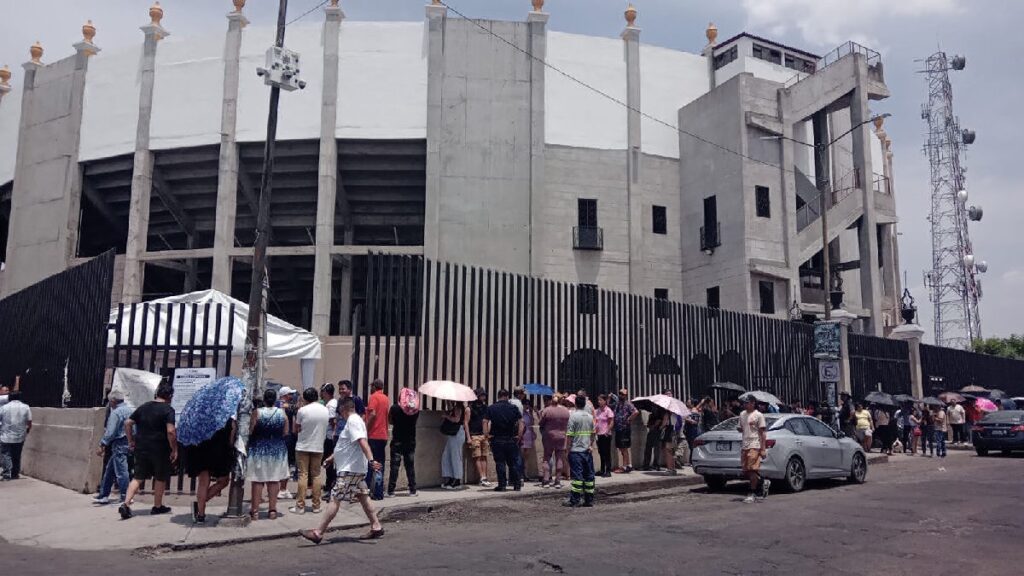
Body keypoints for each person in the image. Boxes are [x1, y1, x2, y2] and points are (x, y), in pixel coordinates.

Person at [299, 397, 384, 544]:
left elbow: (362, 442)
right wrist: (332, 458)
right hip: (353, 468)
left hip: (350, 470)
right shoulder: (354, 422)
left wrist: (371, 460)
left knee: (335, 498)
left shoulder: (353, 421)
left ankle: (318, 532)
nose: (339, 415)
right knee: (363, 496)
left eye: (339, 411)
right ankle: (376, 525)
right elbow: (346, 445)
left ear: (343, 409)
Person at [119, 383, 176, 520]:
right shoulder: (168, 410)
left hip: (141, 447)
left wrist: (130, 440)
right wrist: (174, 449)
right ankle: (157, 506)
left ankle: (126, 503)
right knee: (160, 477)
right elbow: (171, 431)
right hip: (160, 449)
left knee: (138, 477)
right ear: (169, 396)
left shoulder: (144, 407)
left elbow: (127, 423)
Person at [249, 388, 289, 520]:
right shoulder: (282, 413)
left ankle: (255, 511)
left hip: (260, 449)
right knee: (274, 480)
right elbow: (286, 431)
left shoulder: (257, 412)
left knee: (258, 480)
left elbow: (251, 430)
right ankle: (272, 510)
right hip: (277, 449)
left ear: (264, 399)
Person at [188, 416, 235, 524]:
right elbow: (231, 440)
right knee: (224, 481)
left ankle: (201, 513)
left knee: (203, 482)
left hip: (201, 451)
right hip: (220, 453)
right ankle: (200, 504)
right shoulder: (226, 419)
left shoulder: (198, 418)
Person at [291, 387, 329, 514]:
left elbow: (296, 428)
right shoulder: (325, 410)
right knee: (316, 475)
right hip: (318, 446)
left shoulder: (302, 410)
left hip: (303, 445)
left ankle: (300, 506)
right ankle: (316, 505)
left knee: (303, 474)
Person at [93, 390, 132, 504]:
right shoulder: (130, 410)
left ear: (113, 401)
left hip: (119, 443)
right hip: (127, 442)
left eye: (110, 401)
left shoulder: (116, 413)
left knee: (121, 472)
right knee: (110, 470)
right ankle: (103, 494)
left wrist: (102, 444)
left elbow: (111, 432)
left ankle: (126, 496)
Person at [484, 389, 524, 492]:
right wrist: (519, 436)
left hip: (497, 439)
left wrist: (486, 435)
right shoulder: (513, 408)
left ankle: (502, 485)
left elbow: (485, 421)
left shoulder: (492, 408)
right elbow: (521, 422)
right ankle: (517, 484)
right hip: (511, 438)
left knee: (500, 462)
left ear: (498, 396)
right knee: (513, 463)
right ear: (507, 396)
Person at [564, 394, 596, 508]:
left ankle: (574, 500)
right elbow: (593, 434)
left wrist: (567, 450)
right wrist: (590, 445)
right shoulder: (590, 417)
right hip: (587, 451)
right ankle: (589, 500)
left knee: (577, 477)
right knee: (589, 476)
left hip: (576, 451)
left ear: (575, 404)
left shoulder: (573, 416)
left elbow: (570, 435)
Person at [387, 387, 420, 497]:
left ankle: (391, 490)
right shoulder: (415, 410)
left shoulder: (395, 408)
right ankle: (413, 490)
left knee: (395, 466)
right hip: (410, 441)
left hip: (397, 440)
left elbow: (390, 421)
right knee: (410, 466)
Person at [738, 396, 769, 503]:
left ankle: (752, 492)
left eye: (747, 403)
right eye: (744, 403)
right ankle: (762, 482)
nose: (745, 405)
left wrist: (763, 448)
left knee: (752, 469)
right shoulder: (742, 414)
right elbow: (741, 428)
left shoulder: (758, 415)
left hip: (755, 444)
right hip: (745, 444)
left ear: (753, 403)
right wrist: (740, 428)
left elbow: (763, 433)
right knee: (746, 470)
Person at [364, 379, 390, 499]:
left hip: (374, 434)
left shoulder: (374, 397)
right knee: (380, 464)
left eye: (371, 386)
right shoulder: (385, 398)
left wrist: (366, 428)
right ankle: (379, 492)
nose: (370, 388)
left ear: (374, 386)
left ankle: (369, 490)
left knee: (371, 463)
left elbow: (373, 414)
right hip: (383, 435)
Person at [539, 394, 570, 488]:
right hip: (562, 436)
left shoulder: (547, 410)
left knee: (547, 458)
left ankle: (546, 480)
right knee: (559, 458)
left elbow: (541, 423)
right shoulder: (566, 411)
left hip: (549, 436)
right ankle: (558, 480)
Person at [0, 390, 32, 481]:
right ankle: (15, 474)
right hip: (20, 436)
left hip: (5, 435)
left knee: (5, 454)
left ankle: (6, 474)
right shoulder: (26, 407)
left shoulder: (4, 407)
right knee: (17, 455)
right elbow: (29, 421)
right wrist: (28, 430)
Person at [440, 401, 470, 489]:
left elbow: (456, 419)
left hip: (456, 433)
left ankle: (456, 480)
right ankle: (450, 478)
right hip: (455, 433)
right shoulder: (459, 407)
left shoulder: (458, 408)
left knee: (455, 456)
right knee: (447, 456)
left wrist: (446, 416)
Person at [277, 386, 299, 500]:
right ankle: (282, 489)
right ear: (285, 395)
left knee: (284, 463)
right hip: (286, 436)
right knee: (284, 463)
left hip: (283, 437)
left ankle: (281, 488)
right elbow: (295, 409)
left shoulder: (279, 404)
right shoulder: (282, 404)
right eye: (290, 394)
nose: (292, 396)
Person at [467, 388, 492, 487]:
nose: (484, 397)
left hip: (483, 435)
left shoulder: (485, 407)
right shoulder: (470, 408)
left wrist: (487, 432)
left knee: (484, 456)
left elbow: (488, 420)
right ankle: (482, 477)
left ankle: (485, 476)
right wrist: (468, 437)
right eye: (482, 395)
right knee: (477, 456)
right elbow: (466, 423)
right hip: (474, 435)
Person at [612, 388, 638, 473]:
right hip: (618, 428)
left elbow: (636, 412)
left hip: (624, 429)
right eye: (620, 393)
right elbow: (610, 403)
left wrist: (629, 419)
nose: (621, 395)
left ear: (626, 395)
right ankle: (628, 465)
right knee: (622, 448)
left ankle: (624, 467)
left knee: (624, 448)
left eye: (623, 394)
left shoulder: (628, 404)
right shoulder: (618, 404)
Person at [320, 383, 338, 499]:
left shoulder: (330, 406)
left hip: (330, 438)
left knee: (329, 464)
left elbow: (333, 422)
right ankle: (329, 485)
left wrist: (332, 436)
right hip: (330, 437)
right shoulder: (332, 403)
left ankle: (330, 486)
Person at [593, 394, 615, 477]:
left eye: (601, 400)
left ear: (605, 401)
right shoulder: (597, 411)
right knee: (601, 452)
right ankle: (602, 470)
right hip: (599, 434)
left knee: (607, 453)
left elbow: (611, 422)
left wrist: (607, 431)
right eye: (598, 400)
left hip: (606, 434)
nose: (599, 402)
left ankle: (608, 470)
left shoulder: (608, 410)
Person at [520, 398, 538, 481]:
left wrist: (532, 412)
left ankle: (525, 473)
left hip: (528, 434)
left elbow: (532, 423)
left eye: (528, 404)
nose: (526, 406)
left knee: (526, 456)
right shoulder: (520, 413)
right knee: (521, 455)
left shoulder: (528, 414)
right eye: (525, 404)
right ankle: (521, 474)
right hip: (523, 435)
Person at [642, 406, 664, 471]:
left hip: (657, 432)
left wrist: (653, 426)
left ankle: (655, 465)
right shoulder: (651, 415)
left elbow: (659, 422)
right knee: (649, 449)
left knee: (656, 449)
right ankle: (648, 465)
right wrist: (650, 426)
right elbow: (649, 424)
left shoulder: (660, 413)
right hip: (652, 432)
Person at [660, 405, 678, 475]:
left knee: (667, 451)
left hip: (668, 432)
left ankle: (669, 469)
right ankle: (673, 469)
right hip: (674, 432)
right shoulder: (675, 413)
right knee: (672, 452)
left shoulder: (667, 414)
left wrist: (661, 427)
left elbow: (664, 424)